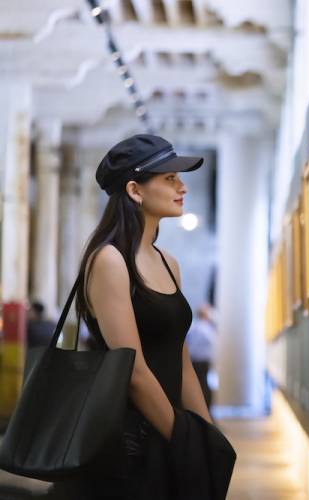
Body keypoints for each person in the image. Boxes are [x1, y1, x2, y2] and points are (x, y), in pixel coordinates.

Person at [48, 134, 233, 499]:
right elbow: (132, 370)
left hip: (165, 430)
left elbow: (180, 361)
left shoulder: (169, 263)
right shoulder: (109, 260)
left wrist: (205, 435)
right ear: (135, 190)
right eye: (169, 179)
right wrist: (182, 438)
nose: (182, 187)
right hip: (126, 441)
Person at [186, 304, 216, 410]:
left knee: (197, 384)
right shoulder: (206, 328)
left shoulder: (193, 327)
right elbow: (213, 342)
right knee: (204, 385)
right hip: (203, 361)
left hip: (194, 360)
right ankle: (205, 407)